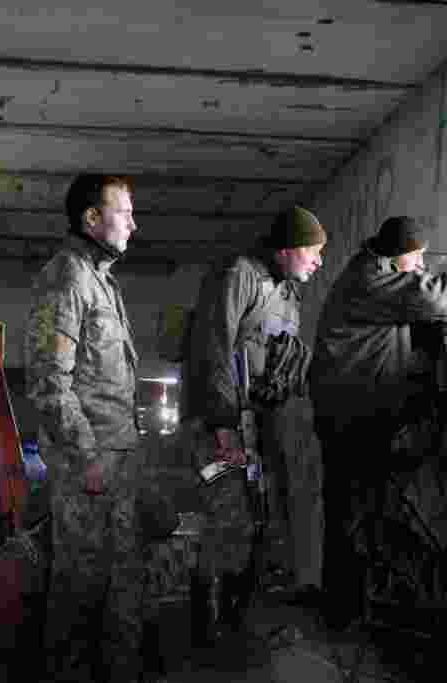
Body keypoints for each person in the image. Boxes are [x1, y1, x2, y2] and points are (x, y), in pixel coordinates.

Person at [309, 215, 447, 631]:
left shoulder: (379, 276)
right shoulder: (367, 281)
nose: (422, 264)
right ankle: (345, 617)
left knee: (366, 512)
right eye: (417, 257)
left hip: (361, 413)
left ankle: (362, 609)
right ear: (395, 256)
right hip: (351, 417)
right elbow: (430, 297)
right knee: (354, 514)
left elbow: (428, 314)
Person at [180, 206, 326, 649]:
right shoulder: (240, 275)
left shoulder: (287, 293)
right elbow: (213, 347)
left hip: (259, 420)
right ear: (285, 251)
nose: (319, 261)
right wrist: (223, 424)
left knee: (256, 523)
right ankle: (206, 631)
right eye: (313, 251)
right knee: (226, 521)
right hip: (222, 421)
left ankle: (236, 624)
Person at [24, 174, 145, 683]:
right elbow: (50, 382)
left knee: (119, 590)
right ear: (91, 218)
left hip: (114, 460)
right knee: (79, 591)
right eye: (124, 212)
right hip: (89, 467)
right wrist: (87, 456)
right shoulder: (68, 277)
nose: (133, 223)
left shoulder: (100, 279)